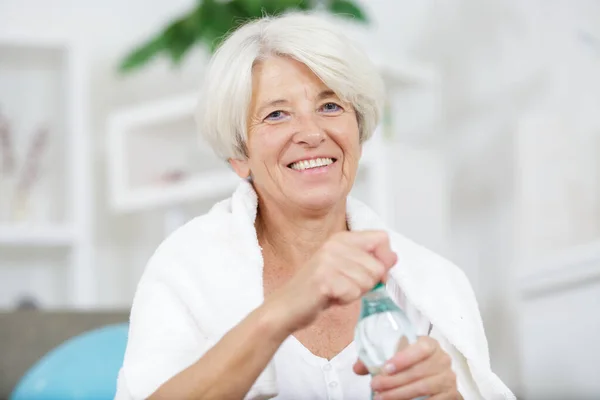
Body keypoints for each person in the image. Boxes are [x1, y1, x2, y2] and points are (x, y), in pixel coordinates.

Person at [115, 12, 514, 400]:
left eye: (329, 107)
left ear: (358, 130)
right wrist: (283, 310)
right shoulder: (185, 268)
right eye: (276, 114)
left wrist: (447, 397)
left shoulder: (431, 284)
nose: (310, 133)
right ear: (240, 157)